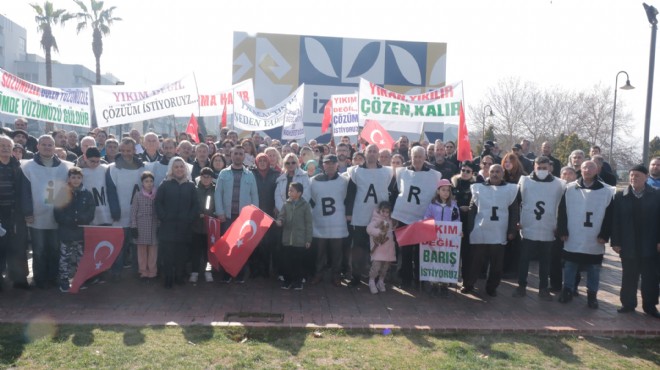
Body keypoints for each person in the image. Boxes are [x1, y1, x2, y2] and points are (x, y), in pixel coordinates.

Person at [557, 160, 614, 309]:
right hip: (573, 235)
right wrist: (562, 230)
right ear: (580, 171)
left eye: (590, 167)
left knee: (593, 268)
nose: (587, 170)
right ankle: (567, 290)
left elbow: (610, 216)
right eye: (584, 167)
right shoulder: (569, 189)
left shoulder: (607, 191)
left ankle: (592, 295)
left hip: (594, 237)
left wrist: (604, 234)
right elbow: (562, 212)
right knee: (570, 265)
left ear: (597, 171)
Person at [20, 135, 73, 289]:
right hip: (37, 215)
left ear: (54, 146)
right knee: (39, 249)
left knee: (55, 248)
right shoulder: (28, 167)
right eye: (44, 144)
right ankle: (40, 278)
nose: (47, 147)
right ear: (38, 146)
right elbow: (25, 192)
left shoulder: (65, 167)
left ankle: (53, 276)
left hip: (57, 216)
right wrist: (27, 212)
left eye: (50, 145)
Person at [611, 164, 660, 318]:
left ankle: (650, 306)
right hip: (628, 243)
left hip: (650, 244)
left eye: (637, 175)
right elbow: (615, 221)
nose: (634, 178)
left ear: (646, 177)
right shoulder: (620, 196)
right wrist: (616, 242)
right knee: (629, 276)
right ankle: (628, 304)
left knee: (650, 278)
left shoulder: (656, 195)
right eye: (631, 175)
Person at [462, 164, 519, 297]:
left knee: (496, 264)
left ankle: (492, 287)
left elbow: (514, 211)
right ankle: (469, 284)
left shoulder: (510, 189)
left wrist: (512, 231)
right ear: (488, 173)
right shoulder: (478, 188)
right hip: (480, 229)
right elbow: (472, 209)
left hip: (499, 231)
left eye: (498, 171)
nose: (494, 174)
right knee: (475, 261)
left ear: (502, 173)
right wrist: (470, 228)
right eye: (492, 171)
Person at [512, 156, 564, 300]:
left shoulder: (559, 184)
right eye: (539, 168)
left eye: (544, 168)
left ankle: (543, 288)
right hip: (529, 227)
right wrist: (517, 221)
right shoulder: (525, 181)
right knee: (524, 259)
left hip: (548, 227)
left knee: (545, 261)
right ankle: (521, 286)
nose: (541, 170)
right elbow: (517, 202)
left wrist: (559, 225)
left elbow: (562, 207)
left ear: (550, 168)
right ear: (534, 167)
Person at [391, 146, 443, 289]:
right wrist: (393, 214)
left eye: (420, 156)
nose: (418, 159)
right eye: (415, 156)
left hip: (424, 218)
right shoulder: (403, 172)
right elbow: (396, 193)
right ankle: (406, 279)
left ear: (425, 157)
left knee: (421, 250)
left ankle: (420, 278)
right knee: (405, 250)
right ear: (410, 157)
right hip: (404, 216)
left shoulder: (434, 175)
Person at [346, 144, 394, 287]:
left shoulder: (387, 172)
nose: (372, 154)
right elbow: (350, 194)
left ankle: (375, 276)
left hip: (380, 218)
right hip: (360, 215)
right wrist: (349, 213)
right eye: (370, 151)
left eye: (375, 151)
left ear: (378, 154)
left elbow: (390, 194)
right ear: (365, 153)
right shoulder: (356, 172)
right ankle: (356, 276)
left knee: (378, 247)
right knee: (359, 248)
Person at [214, 145, 259, 283]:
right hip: (227, 216)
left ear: (244, 156)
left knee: (241, 247)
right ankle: (227, 273)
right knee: (227, 246)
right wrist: (220, 212)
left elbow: (254, 195)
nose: (238, 156)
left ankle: (239, 273)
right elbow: (218, 194)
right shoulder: (223, 173)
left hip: (243, 218)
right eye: (235, 153)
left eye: (240, 154)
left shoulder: (250, 174)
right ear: (231, 155)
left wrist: (254, 215)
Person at [155, 157, 199, 288]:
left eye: (181, 167)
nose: (179, 169)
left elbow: (195, 205)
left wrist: (189, 218)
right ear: (171, 169)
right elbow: (158, 203)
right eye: (176, 167)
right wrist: (164, 216)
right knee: (168, 254)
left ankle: (179, 276)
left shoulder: (190, 186)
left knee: (181, 254)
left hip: (184, 226)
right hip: (167, 226)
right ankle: (168, 278)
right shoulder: (165, 184)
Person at [106, 138, 146, 279]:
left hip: (138, 214)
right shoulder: (112, 168)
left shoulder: (142, 167)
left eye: (128, 150)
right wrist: (115, 211)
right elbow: (110, 192)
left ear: (134, 150)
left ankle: (137, 270)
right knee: (119, 246)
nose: (125, 153)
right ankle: (116, 271)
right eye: (122, 150)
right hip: (120, 214)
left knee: (136, 245)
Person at [309, 154, 350, 286]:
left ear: (337, 165)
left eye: (333, 163)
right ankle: (318, 274)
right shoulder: (314, 181)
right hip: (320, 222)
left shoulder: (344, 181)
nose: (330, 165)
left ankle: (336, 275)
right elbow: (311, 200)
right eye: (327, 163)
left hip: (337, 222)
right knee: (319, 252)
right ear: (323, 165)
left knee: (337, 252)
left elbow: (347, 199)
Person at [53, 167, 96, 292]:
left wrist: (81, 219)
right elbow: (58, 213)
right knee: (64, 258)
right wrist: (71, 220)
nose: (76, 180)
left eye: (78, 177)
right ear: (69, 178)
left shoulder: (87, 194)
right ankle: (64, 281)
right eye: (73, 177)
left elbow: (91, 211)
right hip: (66, 231)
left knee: (80, 257)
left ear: (82, 179)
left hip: (81, 232)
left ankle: (80, 279)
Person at [423, 178, 460, 296]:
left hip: (448, 240)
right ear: (438, 191)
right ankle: (434, 284)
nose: (446, 192)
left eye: (448, 190)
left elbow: (457, 220)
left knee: (446, 261)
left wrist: (459, 231)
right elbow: (427, 218)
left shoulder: (453, 206)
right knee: (435, 260)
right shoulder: (432, 205)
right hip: (435, 239)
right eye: (443, 190)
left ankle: (444, 285)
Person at [0, 135, 26, 290]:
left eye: (7, 146)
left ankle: (18, 279)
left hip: (15, 213)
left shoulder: (18, 166)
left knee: (16, 247)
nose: (4, 148)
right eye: (1, 145)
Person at [276, 182, 313, 290]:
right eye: (289, 190)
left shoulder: (305, 206)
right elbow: (281, 216)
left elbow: (309, 223)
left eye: (292, 190)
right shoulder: (286, 204)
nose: (289, 192)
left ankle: (298, 282)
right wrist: (280, 221)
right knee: (287, 262)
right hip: (287, 239)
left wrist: (308, 239)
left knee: (298, 263)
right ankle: (287, 281)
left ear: (299, 193)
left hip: (300, 240)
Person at [250, 153, 279, 278]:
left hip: (270, 212)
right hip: (254, 212)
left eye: (264, 160)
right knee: (254, 242)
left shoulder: (275, 175)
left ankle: (267, 269)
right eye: (260, 160)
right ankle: (255, 270)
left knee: (268, 243)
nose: (262, 162)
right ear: (256, 162)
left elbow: (278, 193)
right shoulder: (251, 174)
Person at [129, 171, 159, 281]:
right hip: (141, 225)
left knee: (153, 250)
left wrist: (159, 224)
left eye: (151, 181)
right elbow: (133, 212)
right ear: (142, 183)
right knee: (141, 251)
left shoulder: (157, 195)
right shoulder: (137, 195)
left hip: (154, 225)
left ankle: (152, 271)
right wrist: (133, 226)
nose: (149, 183)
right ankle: (143, 271)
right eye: (146, 181)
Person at [451, 160, 477, 281]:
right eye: (463, 170)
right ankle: (451, 276)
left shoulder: (476, 187)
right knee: (452, 250)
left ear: (472, 173)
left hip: (468, 222)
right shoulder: (453, 184)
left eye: (468, 171)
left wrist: (470, 209)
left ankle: (466, 280)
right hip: (453, 221)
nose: (465, 173)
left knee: (466, 253)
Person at [190, 167, 216, 283]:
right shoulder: (194, 190)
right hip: (196, 227)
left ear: (212, 179)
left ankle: (208, 271)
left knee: (208, 252)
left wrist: (212, 214)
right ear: (200, 177)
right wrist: (197, 214)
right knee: (195, 251)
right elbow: (190, 205)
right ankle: (194, 272)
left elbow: (216, 205)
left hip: (209, 228)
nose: (206, 179)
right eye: (204, 177)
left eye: (209, 177)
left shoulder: (215, 190)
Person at [366, 201, 395, 294]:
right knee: (376, 266)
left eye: (387, 212)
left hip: (388, 248)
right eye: (383, 211)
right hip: (378, 247)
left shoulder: (391, 220)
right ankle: (371, 281)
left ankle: (381, 281)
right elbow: (369, 229)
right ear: (380, 210)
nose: (385, 214)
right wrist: (379, 232)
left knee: (385, 267)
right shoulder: (376, 219)